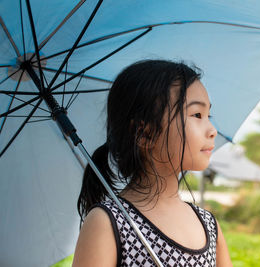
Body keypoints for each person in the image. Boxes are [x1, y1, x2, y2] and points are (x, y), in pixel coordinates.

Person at [72, 59, 232, 267]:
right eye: (197, 115)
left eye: (208, 115)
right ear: (145, 133)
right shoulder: (110, 223)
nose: (212, 130)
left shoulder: (209, 225)